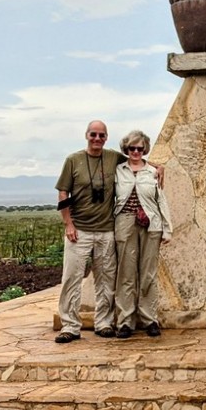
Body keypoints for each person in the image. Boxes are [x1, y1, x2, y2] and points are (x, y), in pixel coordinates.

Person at [54, 120, 126, 343]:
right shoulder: (73, 160)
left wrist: (157, 166)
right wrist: (68, 224)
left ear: (106, 137)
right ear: (86, 135)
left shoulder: (113, 158)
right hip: (80, 230)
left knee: (106, 279)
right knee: (71, 278)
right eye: (93, 134)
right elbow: (63, 193)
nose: (97, 139)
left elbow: (137, 160)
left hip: (106, 230)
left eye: (101, 135)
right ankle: (70, 326)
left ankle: (103, 322)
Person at [112, 130, 172, 339]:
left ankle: (149, 319)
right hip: (125, 221)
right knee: (126, 273)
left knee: (148, 273)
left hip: (150, 223)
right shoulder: (118, 170)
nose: (136, 152)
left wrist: (167, 228)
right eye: (131, 148)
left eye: (139, 148)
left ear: (144, 149)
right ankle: (125, 321)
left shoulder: (152, 172)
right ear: (126, 149)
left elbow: (160, 200)